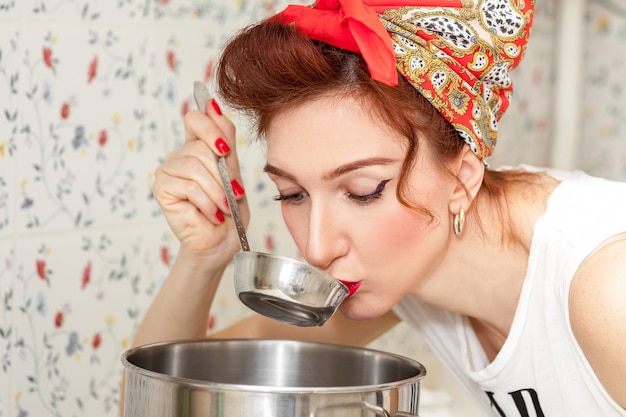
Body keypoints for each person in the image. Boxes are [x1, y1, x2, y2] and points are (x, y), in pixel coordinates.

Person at [126, 1, 626, 416]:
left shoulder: (607, 288)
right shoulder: (404, 269)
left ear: (462, 180)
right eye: (292, 194)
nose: (318, 249)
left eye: (363, 191)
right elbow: (168, 395)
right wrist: (204, 257)